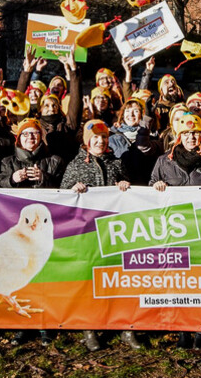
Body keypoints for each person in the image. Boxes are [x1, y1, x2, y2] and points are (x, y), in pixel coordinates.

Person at [60, 120, 143, 351]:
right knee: (90, 281)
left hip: (115, 232)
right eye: (95, 138)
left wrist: (126, 186)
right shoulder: (75, 165)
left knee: (121, 280)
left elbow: (129, 194)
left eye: (104, 138)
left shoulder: (117, 163)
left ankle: (127, 328)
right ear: (87, 141)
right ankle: (90, 329)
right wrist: (72, 190)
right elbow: (63, 195)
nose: (100, 141)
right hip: (87, 233)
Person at [149, 113, 201, 350]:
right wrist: (156, 187)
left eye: (195, 133)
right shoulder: (164, 161)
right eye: (186, 133)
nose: (192, 137)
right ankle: (183, 329)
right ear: (178, 136)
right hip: (174, 233)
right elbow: (150, 190)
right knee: (178, 281)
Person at [0, 118, 65, 189]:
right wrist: (11, 180)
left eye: (35, 133)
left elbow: (64, 188)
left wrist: (44, 178)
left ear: (40, 136)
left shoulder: (55, 161)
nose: (30, 137)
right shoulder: (7, 162)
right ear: (19, 139)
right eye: (25, 134)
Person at [108, 100, 160, 183]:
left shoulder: (152, 139)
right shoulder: (112, 139)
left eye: (136, 111)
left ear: (143, 114)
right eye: (127, 111)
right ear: (122, 114)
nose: (131, 114)